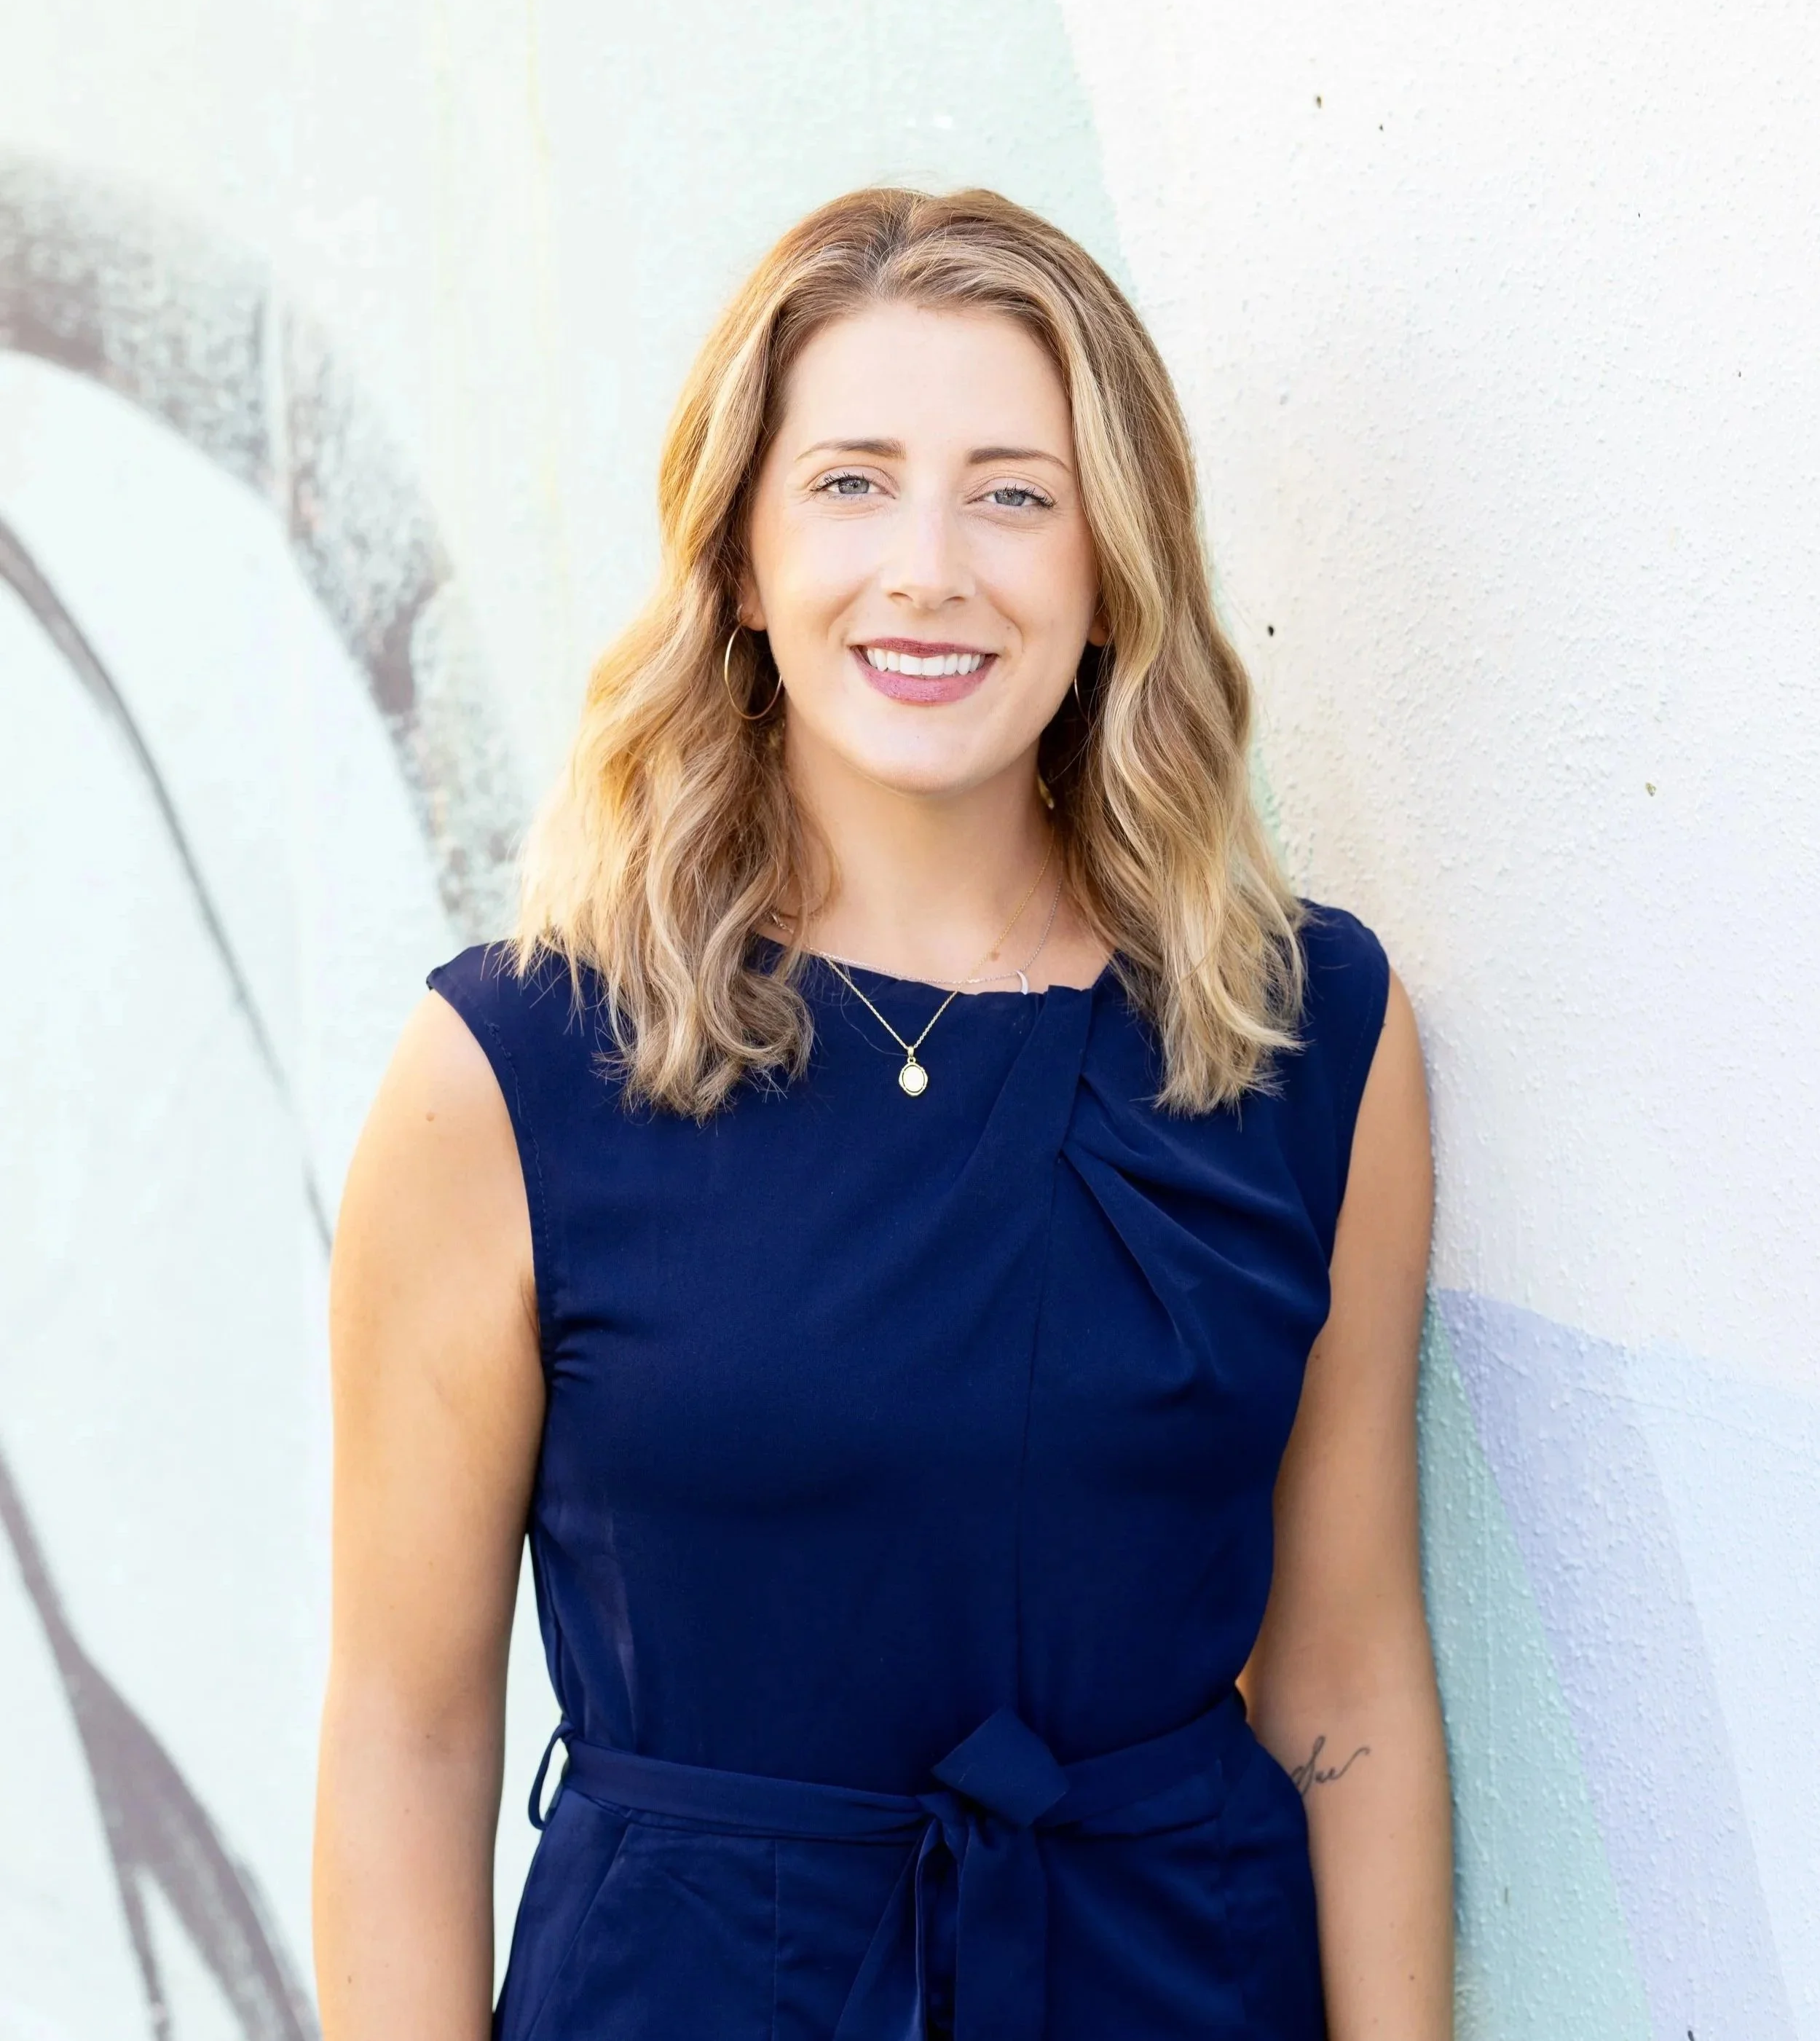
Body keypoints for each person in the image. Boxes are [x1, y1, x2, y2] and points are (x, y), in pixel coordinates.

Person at [312, 186, 1452, 2040]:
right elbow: (405, 1728)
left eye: (1013, 489)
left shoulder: (1303, 1035)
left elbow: (1346, 1672)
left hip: (1176, 1989)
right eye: (851, 481)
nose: (930, 564)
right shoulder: (514, 1067)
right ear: (743, 559)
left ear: (1109, 569)